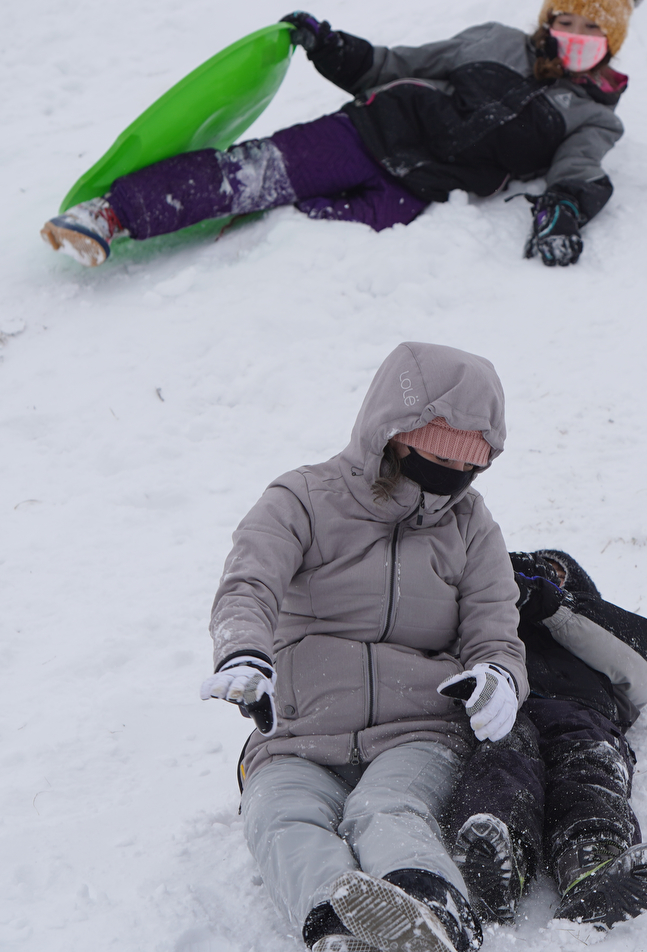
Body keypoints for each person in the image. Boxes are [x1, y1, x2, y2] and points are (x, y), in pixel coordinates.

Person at [200, 341, 526, 952]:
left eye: (469, 467)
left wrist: (497, 677)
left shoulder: (472, 528)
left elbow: (494, 627)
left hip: (417, 728)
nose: (450, 480)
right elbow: (249, 584)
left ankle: (434, 917)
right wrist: (244, 652)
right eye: (438, 457)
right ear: (392, 433)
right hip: (299, 728)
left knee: (387, 808)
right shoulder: (303, 500)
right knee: (278, 815)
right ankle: (338, 929)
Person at [43, 0, 646, 269]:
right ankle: (110, 213)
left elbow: (579, 169)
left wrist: (564, 212)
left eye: (592, 28)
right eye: (565, 20)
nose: (574, 34)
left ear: (611, 42)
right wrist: (329, 46)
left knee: (306, 232)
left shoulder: (592, 115)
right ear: (547, 20)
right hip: (367, 134)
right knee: (255, 172)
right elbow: (390, 63)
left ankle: (228, 235)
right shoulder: (492, 41)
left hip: (418, 191)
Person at [442, 548, 647, 933]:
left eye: (555, 572)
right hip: (506, 705)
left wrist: (548, 600)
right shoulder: (481, 617)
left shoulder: (593, 623)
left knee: (589, 762)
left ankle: (593, 853)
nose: (535, 576)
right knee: (501, 758)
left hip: (579, 711)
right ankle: (497, 856)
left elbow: (642, 669)